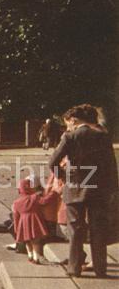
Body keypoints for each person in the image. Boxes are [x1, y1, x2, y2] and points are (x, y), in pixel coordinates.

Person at [48, 104, 118, 278]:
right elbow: (111, 165)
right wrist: (113, 188)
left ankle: (74, 267)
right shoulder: (103, 136)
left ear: (74, 120)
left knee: (75, 229)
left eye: (68, 123)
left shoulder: (69, 136)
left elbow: (52, 163)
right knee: (98, 229)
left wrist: (63, 176)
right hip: (99, 188)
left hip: (75, 187)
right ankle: (100, 269)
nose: (67, 127)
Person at [13, 176, 58, 264]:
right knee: (36, 241)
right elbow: (44, 201)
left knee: (27, 241)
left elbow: (16, 217)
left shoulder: (16, 203)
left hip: (23, 223)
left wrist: (17, 228)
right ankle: (36, 257)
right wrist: (54, 193)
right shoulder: (34, 197)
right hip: (34, 221)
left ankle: (30, 255)